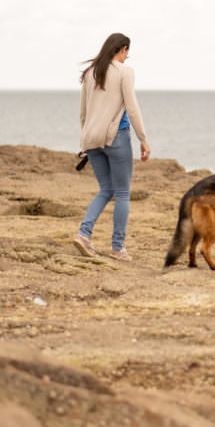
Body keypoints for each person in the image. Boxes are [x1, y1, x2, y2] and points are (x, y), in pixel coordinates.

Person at [74, 33, 151, 261]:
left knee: (106, 190)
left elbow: (83, 112)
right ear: (123, 49)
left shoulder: (91, 72)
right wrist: (143, 139)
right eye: (127, 53)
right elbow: (132, 107)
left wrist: (88, 138)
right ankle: (117, 248)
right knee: (122, 193)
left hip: (91, 138)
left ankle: (83, 235)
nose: (127, 57)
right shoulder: (124, 72)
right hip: (116, 137)